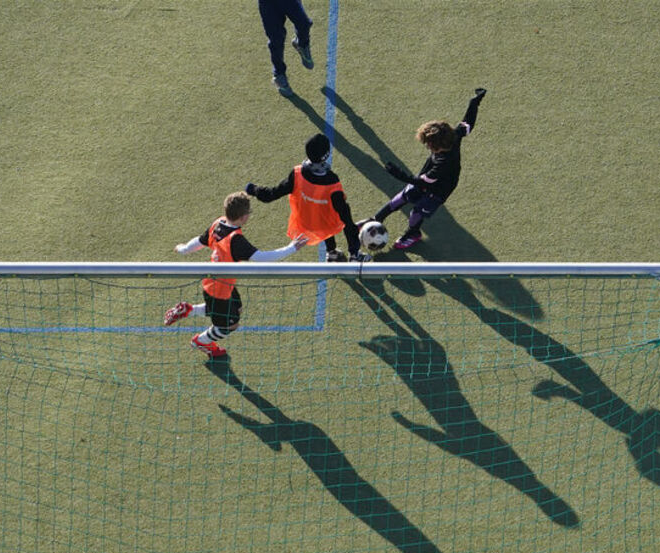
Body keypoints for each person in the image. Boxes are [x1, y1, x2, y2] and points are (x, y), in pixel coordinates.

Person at [164, 191, 309, 358]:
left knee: (236, 310)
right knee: (229, 326)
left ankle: (187, 310)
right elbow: (263, 258)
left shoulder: (218, 223)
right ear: (243, 217)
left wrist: (184, 249)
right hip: (218, 290)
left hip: (222, 284)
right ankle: (201, 341)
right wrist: (292, 248)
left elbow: (199, 241)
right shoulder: (236, 240)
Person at [373, 88, 487, 250]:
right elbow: (468, 123)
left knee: (416, 213)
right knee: (402, 197)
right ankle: (375, 219)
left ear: (438, 145)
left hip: (440, 189)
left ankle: (413, 233)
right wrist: (474, 102)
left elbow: (423, 182)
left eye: (429, 144)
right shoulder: (454, 136)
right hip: (427, 178)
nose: (427, 146)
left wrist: (399, 175)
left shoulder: (444, 163)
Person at [245, 133, 368, 262]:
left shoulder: (296, 174)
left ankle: (332, 253)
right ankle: (354, 255)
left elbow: (272, 194)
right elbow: (345, 216)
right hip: (325, 224)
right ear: (326, 155)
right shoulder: (332, 181)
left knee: (320, 213)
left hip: (305, 224)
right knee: (342, 218)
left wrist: (253, 189)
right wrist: (352, 233)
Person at [258, 0, 315, 97]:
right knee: (276, 40)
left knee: (304, 23)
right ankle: (279, 74)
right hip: (267, 4)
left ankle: (301, 44)